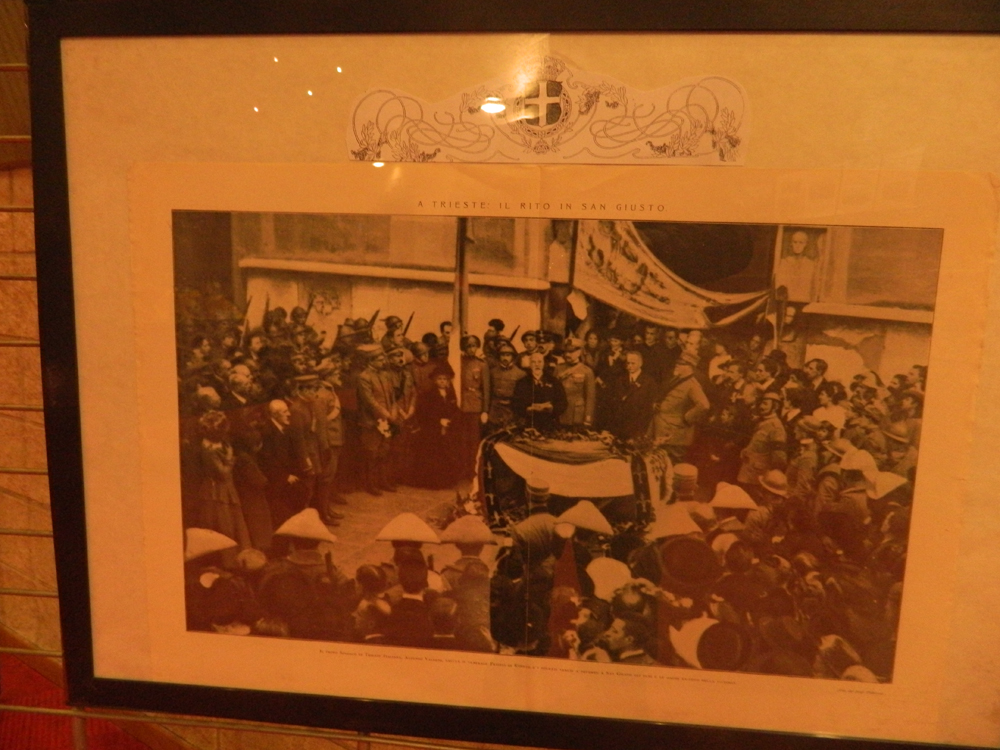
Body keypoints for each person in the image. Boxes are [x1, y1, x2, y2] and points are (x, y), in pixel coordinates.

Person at [649, 351, 710, 463]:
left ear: (689, 367)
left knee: (672, 464)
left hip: (675, 434)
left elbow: (704, 405)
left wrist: (686, 419)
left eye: (681, 364)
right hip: (663, 430)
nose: (677, 365)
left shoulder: (692, 385)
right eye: (677, 363)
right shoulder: (677, 379)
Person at [356, 344, 396, 496]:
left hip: (387, 419)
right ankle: (370, 484)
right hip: (371, 421)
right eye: (379, 359)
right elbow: (369, 401)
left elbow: (391, 397)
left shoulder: (385, 375)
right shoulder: (364, 377)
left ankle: (382, 480)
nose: (383, 362)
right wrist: (386, 414)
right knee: (371, 453)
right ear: (371, 361)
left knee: (384, 451)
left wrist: (393, 412)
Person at [737, 391, 788, 488]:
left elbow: (779, 458)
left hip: (758, 477)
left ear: (775, 407)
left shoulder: (776, 427)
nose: (761, 406)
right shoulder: (761, 422)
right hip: (747, 472)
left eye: (765, 404)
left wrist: (770, 476)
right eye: (761, 403)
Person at [606, 350, 657, 440]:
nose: (629, 366)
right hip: (622, 427)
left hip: (639, 427)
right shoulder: (620, 380)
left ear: (640, 363)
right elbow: (616, 404)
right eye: (628, 363)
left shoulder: (648, 382)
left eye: (633, 363)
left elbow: (649, 408)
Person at [512, 351, 567, 432]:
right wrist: (527, 409)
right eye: (533, 362)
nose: (537, 365)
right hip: (529, 423)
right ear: (529, 364)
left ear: (544, 364)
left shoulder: (553, 381)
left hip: (550, 424)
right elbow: (516, 403)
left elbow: (563, 402)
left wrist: (552, 408)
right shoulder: (522, 382)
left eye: (539, 362)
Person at [555, 337, 597, 428]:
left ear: (579, 352)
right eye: (566, 351)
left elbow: (590, 398)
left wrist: (588, 419)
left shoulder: (587, 371)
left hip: (577, 417)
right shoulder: (558, 369)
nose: (567, 354)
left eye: (571, 352)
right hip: (560, 414)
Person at [487, 339, 526, 430]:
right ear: (499, 356)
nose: (505, 358)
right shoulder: (492, 372)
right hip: (495, 409)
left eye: (508, 355)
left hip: (511, 409)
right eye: (502, 355)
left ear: (513, 357)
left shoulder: (520, 374)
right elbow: (489, 392)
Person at [775, 230, 816, 303]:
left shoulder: (810, 264)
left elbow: (813, 287)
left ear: (805, 244)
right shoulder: (785, 262)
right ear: (791, 243)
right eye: (795, 242)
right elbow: (780, 283)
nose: (798, 245)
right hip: (788, 302)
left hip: (805, 302)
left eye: (801, 242)